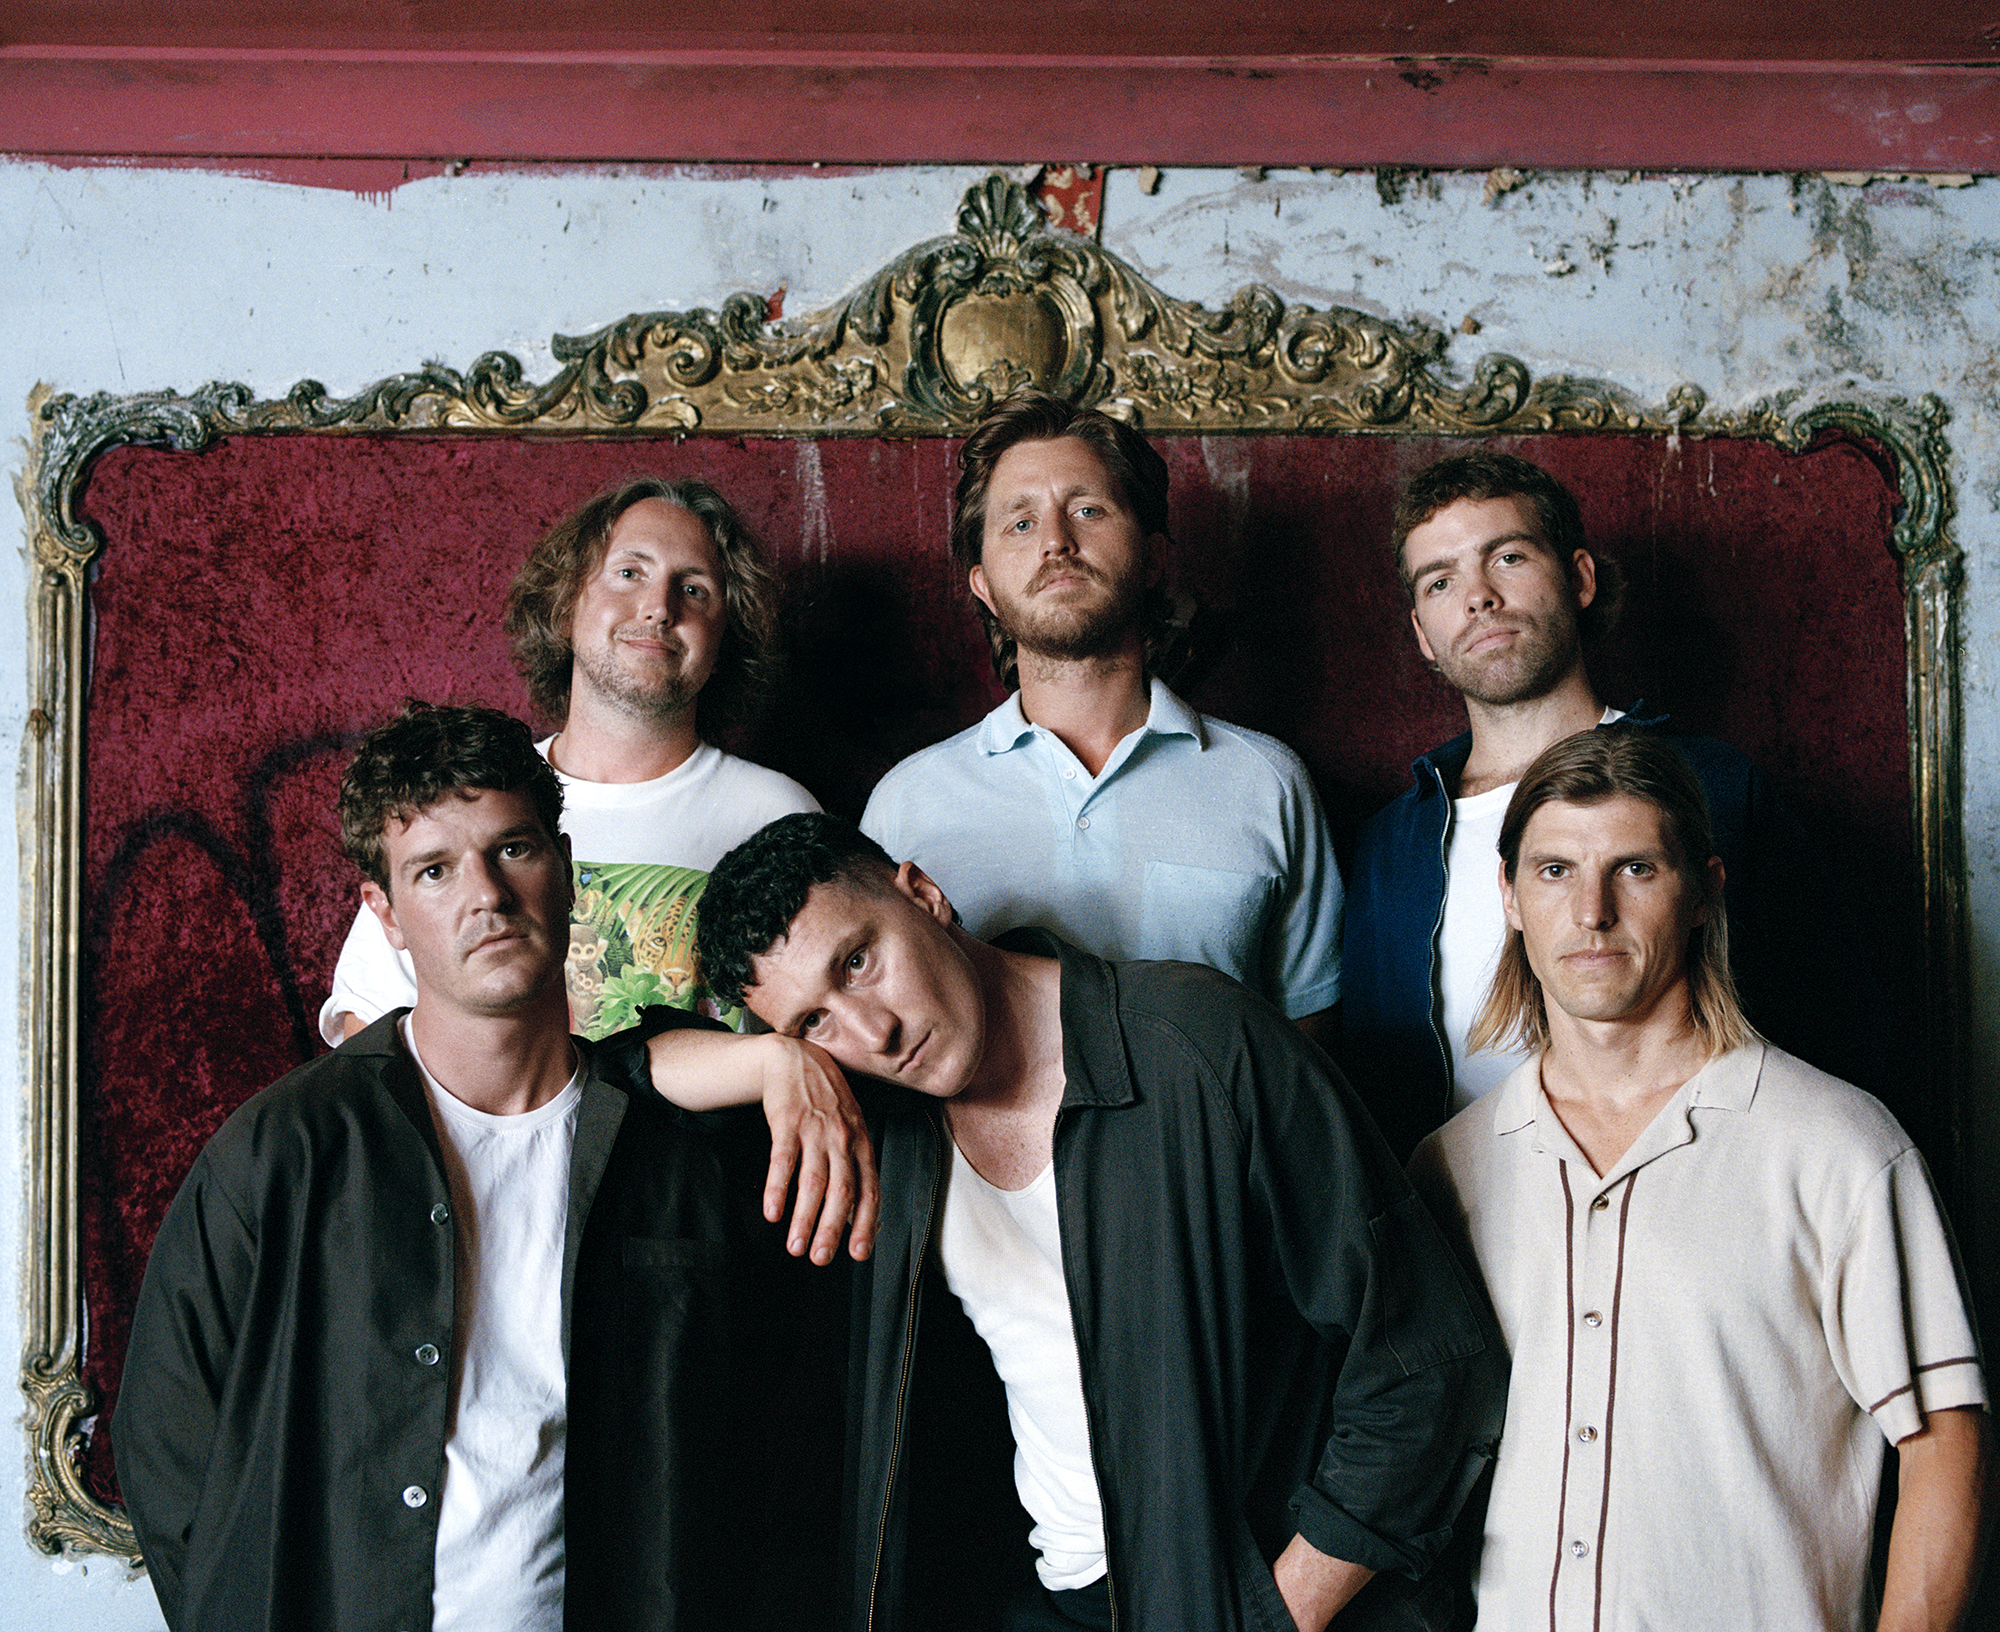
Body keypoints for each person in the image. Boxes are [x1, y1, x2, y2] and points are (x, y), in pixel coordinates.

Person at [114, 703, 871, 1632]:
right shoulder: (288, 1150)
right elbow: (166, 1445)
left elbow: (774, 1447)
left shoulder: (675, 1154)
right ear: (386, 915)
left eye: (512, 849)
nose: (487, 896)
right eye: (434, 870)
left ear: (565, 867)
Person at [683, 811, 1505, 1632]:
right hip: (1058, 1594)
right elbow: (621, 1082)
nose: (875, 1033)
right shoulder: (877, 1128)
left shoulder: (1195, 1042)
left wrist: (1279, 1615)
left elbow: (1425, 1358)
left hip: (1245, 1593)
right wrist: (770, 1059)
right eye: (813, 1022)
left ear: (924, 895)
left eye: (859, 962)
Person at [1410, 730, 1986, 1631]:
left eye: (1635, 869)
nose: (1592, 911)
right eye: (1556, 871)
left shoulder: (1837, 1147)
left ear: (1704, 892)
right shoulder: (1448, 1167)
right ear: (1510, 897)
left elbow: (1946, 1440)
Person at [1342, 450, 1883, 1156]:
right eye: (1440, 581)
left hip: (1698, 1191)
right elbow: (1369, 1092)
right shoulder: (1389, 846)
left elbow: (1833, 1030)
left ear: (1579, 579)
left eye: (1507, 558)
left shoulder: (1716, 786)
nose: (1478, 597)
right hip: (1458, 1212)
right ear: (1422, 634)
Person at [860, 389, 1342, 1044]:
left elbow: (1310, 1049)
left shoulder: (1269, 782)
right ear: (985, 587)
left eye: (1087, 510)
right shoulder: (906, 804)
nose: (1056, 542)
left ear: (1154, 558)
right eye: (1020, 523)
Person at [321, 475, 817, 1044]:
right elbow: (369, 1034)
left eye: (694, 588)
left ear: (725, 635)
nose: (659, 608)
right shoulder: (479, 795)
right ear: (564, 605)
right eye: (629, 573)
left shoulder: (778, 813)